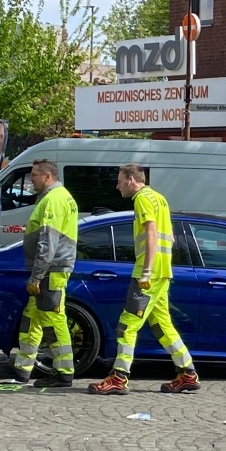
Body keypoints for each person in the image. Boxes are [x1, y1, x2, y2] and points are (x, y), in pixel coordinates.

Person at [88, 163, 200, 396]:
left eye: (119, 181)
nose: (117, 186)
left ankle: (119, 377)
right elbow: (168, 237)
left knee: (127, 324)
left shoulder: (141, 199)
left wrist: (146, 271)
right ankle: (187, 373)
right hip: (163, 271)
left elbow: (151, 231)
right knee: (162, 325)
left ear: (131, 180)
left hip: (148, 274)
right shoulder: (160, 198)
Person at [10, 159, 79, 388]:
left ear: (47, 176)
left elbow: (48, 242)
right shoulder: (58, 197)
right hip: (50, 269)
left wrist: (37, 275)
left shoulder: (54, 200)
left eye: (34, 176)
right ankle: (23, 369)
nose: (31, 181)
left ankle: (63, 372)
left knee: (52, 320)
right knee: (33, 318)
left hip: (51, 270)